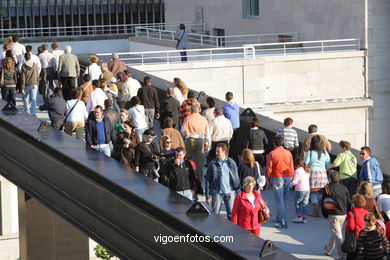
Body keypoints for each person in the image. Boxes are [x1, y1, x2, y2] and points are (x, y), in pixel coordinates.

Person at [205, 143, 241, 220]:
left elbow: (236, 179)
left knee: (231, 215)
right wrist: (207, 196)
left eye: (218, 152)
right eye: (216, 151)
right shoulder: (212, 163)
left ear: (224, 152)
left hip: (230, 192)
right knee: (215, 214)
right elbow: (207, 180)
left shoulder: (231, 163)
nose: (216, 153)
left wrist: (239, 194)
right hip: (217, 192)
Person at [321, 170, 351, 260]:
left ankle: (342, 256)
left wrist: (325, 214)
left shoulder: (327, 188)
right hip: (343, 214)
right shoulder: (344, 187)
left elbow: (324, 202)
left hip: (333, 214)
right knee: (336, 232)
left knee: (338, 235)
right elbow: (348, 201)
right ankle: (328, 250)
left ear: (330, 178)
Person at [266, 136, 294, 228]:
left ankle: (283, 222)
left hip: (277, 177)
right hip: (287, 176)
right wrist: (292, 176)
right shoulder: (288, 153)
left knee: (279, 200)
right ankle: (280, 217)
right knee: (284, 199)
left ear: (274, 143)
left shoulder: (272, 153)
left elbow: (269, 169)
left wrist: (268, 181)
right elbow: (291, 166)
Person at [182, 103, 209, 184]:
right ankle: (199, 181)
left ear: (191, 110)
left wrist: (186, 135)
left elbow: (183, 130)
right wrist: (207, 142)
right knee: (199, 163)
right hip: (200, 140)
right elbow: (207, 132)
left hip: (190, 139)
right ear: (199, 110)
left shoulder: (187, 118)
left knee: (187, 159)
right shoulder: (203, 119)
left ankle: (186, 177)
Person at [305, 135, 331, 217]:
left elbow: (306, 164)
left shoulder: (310, 152)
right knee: (321, 192)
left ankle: (315, 212)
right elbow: (328, 164)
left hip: (313, 173)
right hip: (323, 174)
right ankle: (323, 208)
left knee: (313, 193)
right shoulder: (325, 153)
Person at [345, 194, 370, 260]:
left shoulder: (351, 213)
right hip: (366, 237)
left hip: (356, 238)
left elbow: (351, 227)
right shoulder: (367, 212)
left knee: (352, 255)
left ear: (353, 203)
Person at [290, 158, 310, 224]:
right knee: (305, 204)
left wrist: (289, 185)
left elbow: (295, 181)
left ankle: (298, 217)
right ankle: (305, 218)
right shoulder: (306, 170)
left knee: (297, 203)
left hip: (300, 189)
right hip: (307, 189)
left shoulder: (297, 171)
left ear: (297, 165)